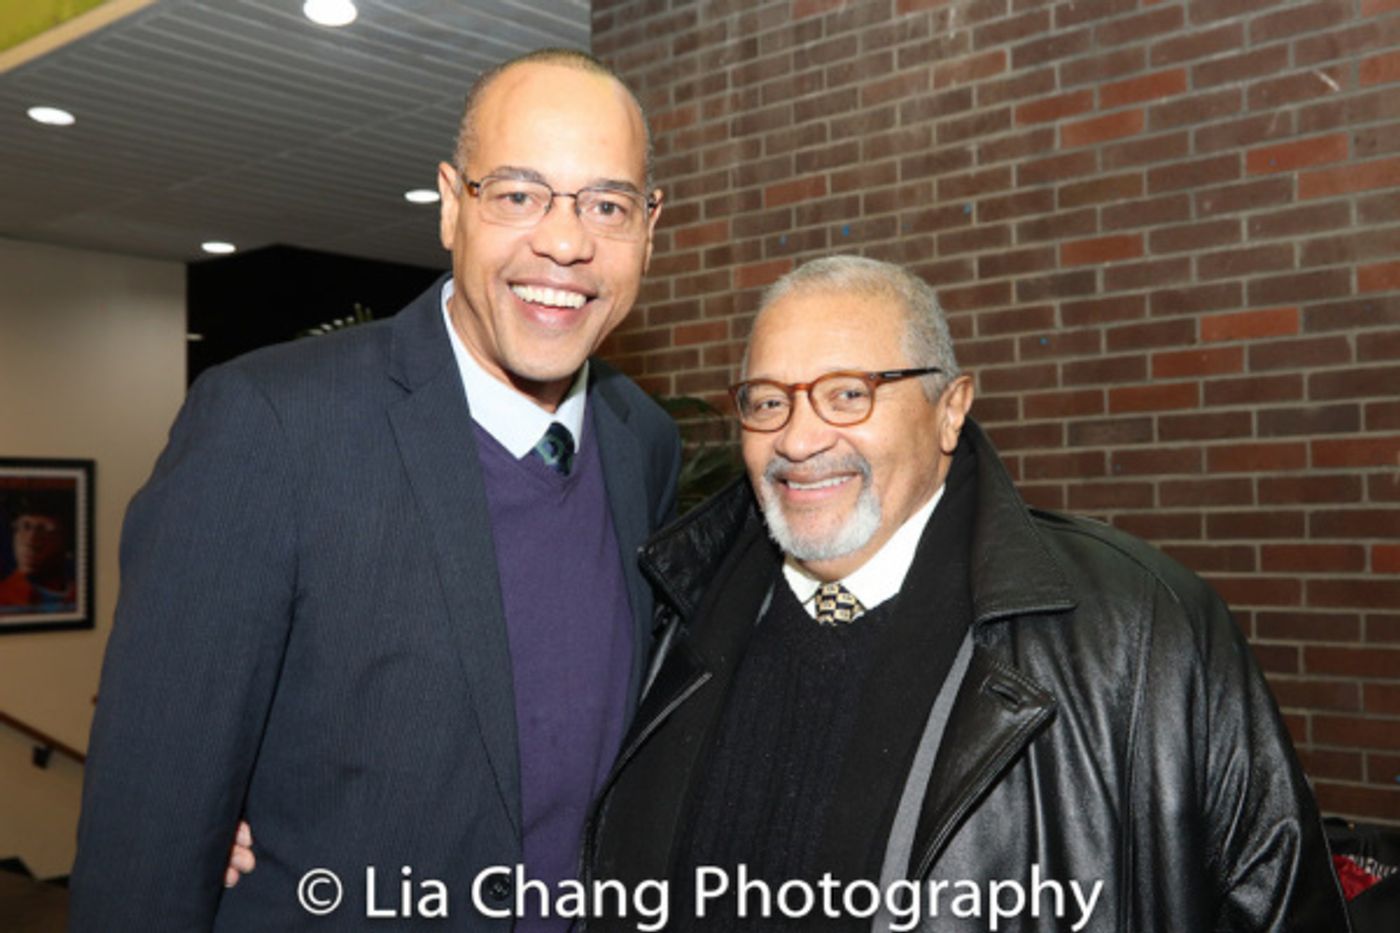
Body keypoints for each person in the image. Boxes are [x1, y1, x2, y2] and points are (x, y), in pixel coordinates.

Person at [70, 49, 679, 931]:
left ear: (648, 226)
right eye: (517, 194)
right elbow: (149, 836)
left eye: (608, 204)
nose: (565, 240)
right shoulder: (270, 426)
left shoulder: (643, 444)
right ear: (450, 204)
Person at [584, 256, 1349, 932]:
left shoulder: (1142, 635)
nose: (799, 438)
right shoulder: (672, 616)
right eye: (766, 401)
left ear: (950, 408)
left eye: (848, 393)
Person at [0, 491, 76, 612]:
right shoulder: (4, 598)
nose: (31, 540)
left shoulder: (81, 593)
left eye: (46, 529)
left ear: (67, 539)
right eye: (25, 526)